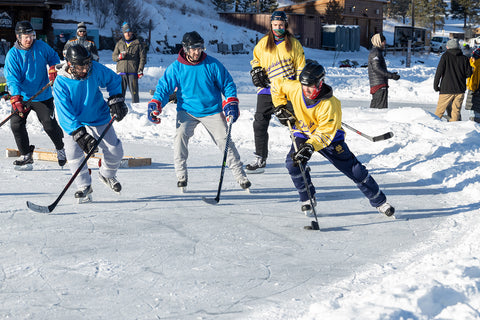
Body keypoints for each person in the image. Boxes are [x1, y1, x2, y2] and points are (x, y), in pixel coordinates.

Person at [271, 60, 394, 217]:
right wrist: (280, 106)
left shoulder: (330, 104)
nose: (307, 90)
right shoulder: (296, 87)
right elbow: (276, 85)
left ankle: (380, 201)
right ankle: (307, 198)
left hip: (329, 138)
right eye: (304, 85)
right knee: (293, 163)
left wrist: (310, 147)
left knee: (354, 170)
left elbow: (325, 133)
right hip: (302, 131)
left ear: (320, 83)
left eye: (311, 86)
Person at [147, 31, 251, 192]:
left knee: (225, 140)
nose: (197, 52)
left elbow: (228, 84)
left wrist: (231, 102)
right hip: (187, 111)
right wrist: (156, 103)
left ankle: (240, 176)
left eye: (200, 48)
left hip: (212, 110)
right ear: (186, 49)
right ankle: (181, 176)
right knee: (180, 137)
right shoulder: (176, 67)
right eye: (194, 49)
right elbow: (163, 87)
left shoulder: (212, 64)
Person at [52, 44, 128, 202]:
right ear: (70, 65)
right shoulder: (61, 82)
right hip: (73, 121)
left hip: (97, 114)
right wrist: (80, 135)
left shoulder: (95, 69)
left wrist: (116, 100)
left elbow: (114, 80)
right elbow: (64, 113)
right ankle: (83, 185)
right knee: (73, 152)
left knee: (115, 150)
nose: (85, 70)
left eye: (88, 65)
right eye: (81, 67)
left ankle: (107, 175)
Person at [246, 11, 305, 174]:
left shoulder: (294, 44)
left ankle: (298, 155)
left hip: (287, 89)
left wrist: (298, 87)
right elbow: (255, 59)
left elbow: (300, 66)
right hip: (266, 89)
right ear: (270, 25)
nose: (277, 28)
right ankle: (260, 157)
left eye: (280, 25)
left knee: (293, 123)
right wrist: (256, 70)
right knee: (259, 122)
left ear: (285, 25)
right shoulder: (263, 42)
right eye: (275, 25)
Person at [4, 21, 65, 170]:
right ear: (18, 37)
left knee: (49, 125)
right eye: (26, 36)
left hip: (42, 95)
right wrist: (16, 98)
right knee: (16, 124)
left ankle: (61, 148)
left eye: (32, 35)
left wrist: (52, 69)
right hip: (23, 97)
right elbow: (12, 79)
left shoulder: (41, 46)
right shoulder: (13, 55)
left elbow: (53, 57)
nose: (29, 39)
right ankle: (26, 155)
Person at [433, 39, 472, 121]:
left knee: (439, 112)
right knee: (456, 112)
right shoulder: (464, 58)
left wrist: (436, 86)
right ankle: (454, 129)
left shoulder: (445, 56)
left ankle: (433, 127)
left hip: (446, 89)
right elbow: (469, 74)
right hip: (460, 89)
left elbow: (439, 72)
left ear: (448, 47)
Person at [112, 22, 146, 104]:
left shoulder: (138, 43)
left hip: (133, 72)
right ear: (123, 33)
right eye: (126, 32)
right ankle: (120, 108)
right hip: (121, 72)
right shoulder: (119, 43)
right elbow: (114, 57)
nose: (128, 34)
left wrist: (140, 70)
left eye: (129, 32)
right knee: (120, 93)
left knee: (134, 93)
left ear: (132, 32)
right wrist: (119, 57)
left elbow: (143, 58)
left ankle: (137, 110)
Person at [368, 33, 400, 109]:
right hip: (379, 85)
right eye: (383, 42)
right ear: (378, 41)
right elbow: (377, 68)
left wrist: (391, 74)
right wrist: (391, 76)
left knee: (375, 108)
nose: (385, 44)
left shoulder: (376, 52)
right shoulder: (376, 53)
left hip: (378, 84)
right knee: (380, 109)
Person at [465, 48, 480, 122]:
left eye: (473, 57)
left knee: (476, 110)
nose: (471, 58)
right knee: (473, 109)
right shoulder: (471, 64)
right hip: (472, 89)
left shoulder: (476, 65)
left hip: (476, 89)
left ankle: (475, 123)